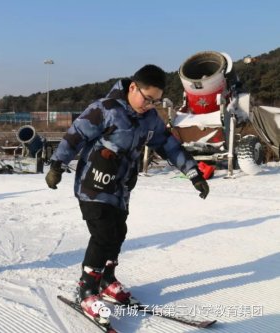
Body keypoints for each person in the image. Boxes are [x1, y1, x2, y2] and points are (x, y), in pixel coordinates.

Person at [45, 65, 209, 325]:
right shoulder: (105, 109)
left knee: (118, 231)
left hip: (120, 188)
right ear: (133, 87)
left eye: (155, 101)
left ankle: (107, 279)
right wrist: (57, 166)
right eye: (147, 98)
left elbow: (169, 145)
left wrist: (193, 173)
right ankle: (87, 289)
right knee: (103, 233)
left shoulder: (150, 119)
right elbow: (75, 135)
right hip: (93, 185)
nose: (149, 105)